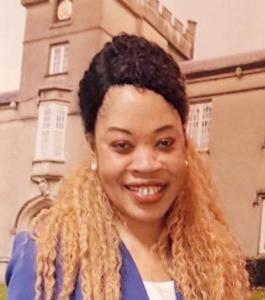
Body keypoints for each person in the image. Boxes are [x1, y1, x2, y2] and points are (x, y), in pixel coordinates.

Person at [6, 33, 250, 300]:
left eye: (164, 142)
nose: (146, 165)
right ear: (93, 146)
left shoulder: (215, 262)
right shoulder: (45, 260)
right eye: (122, 145)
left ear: (184, 141)